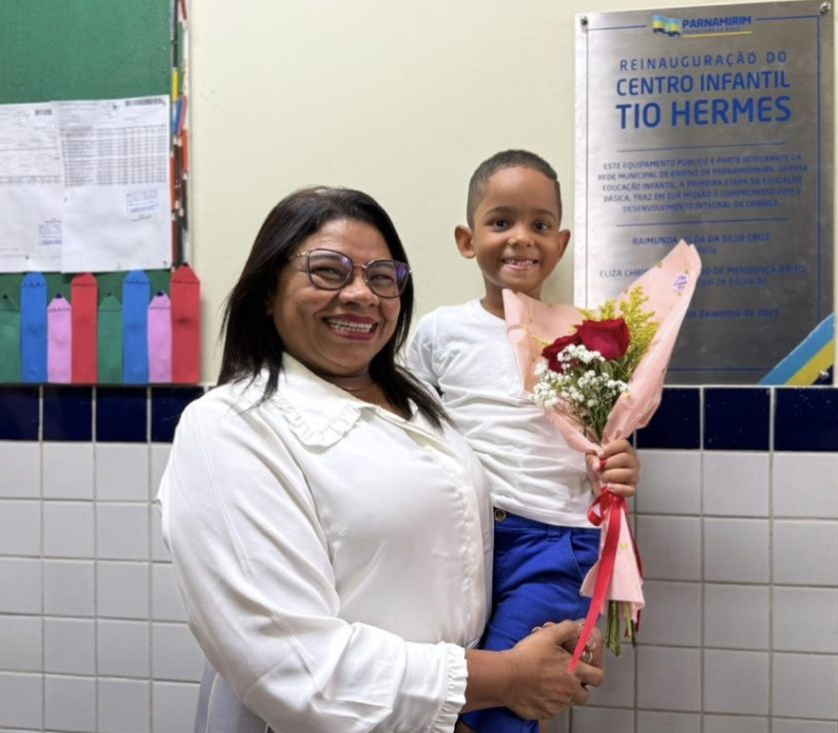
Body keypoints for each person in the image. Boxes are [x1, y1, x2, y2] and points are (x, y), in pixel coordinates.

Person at [157, 186, 605, 733]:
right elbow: (294, 666)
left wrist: (541, 648)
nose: (360, 294)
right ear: (268, 291)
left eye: (381, 277)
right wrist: (506, 678)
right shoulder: (230, 426)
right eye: (328, 271)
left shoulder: (422, 406)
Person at [407, 150, 640, 733]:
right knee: (449, 698)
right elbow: (408, 428)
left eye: (540, 224)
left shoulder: (589, 334)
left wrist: (618, 465)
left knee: (501, 711)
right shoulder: (439, 331)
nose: (521, 238)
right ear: (467, 240)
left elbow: (610, 438)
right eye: (500, 221)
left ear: (560, 244)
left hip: (556, 544)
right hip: (464, 540)